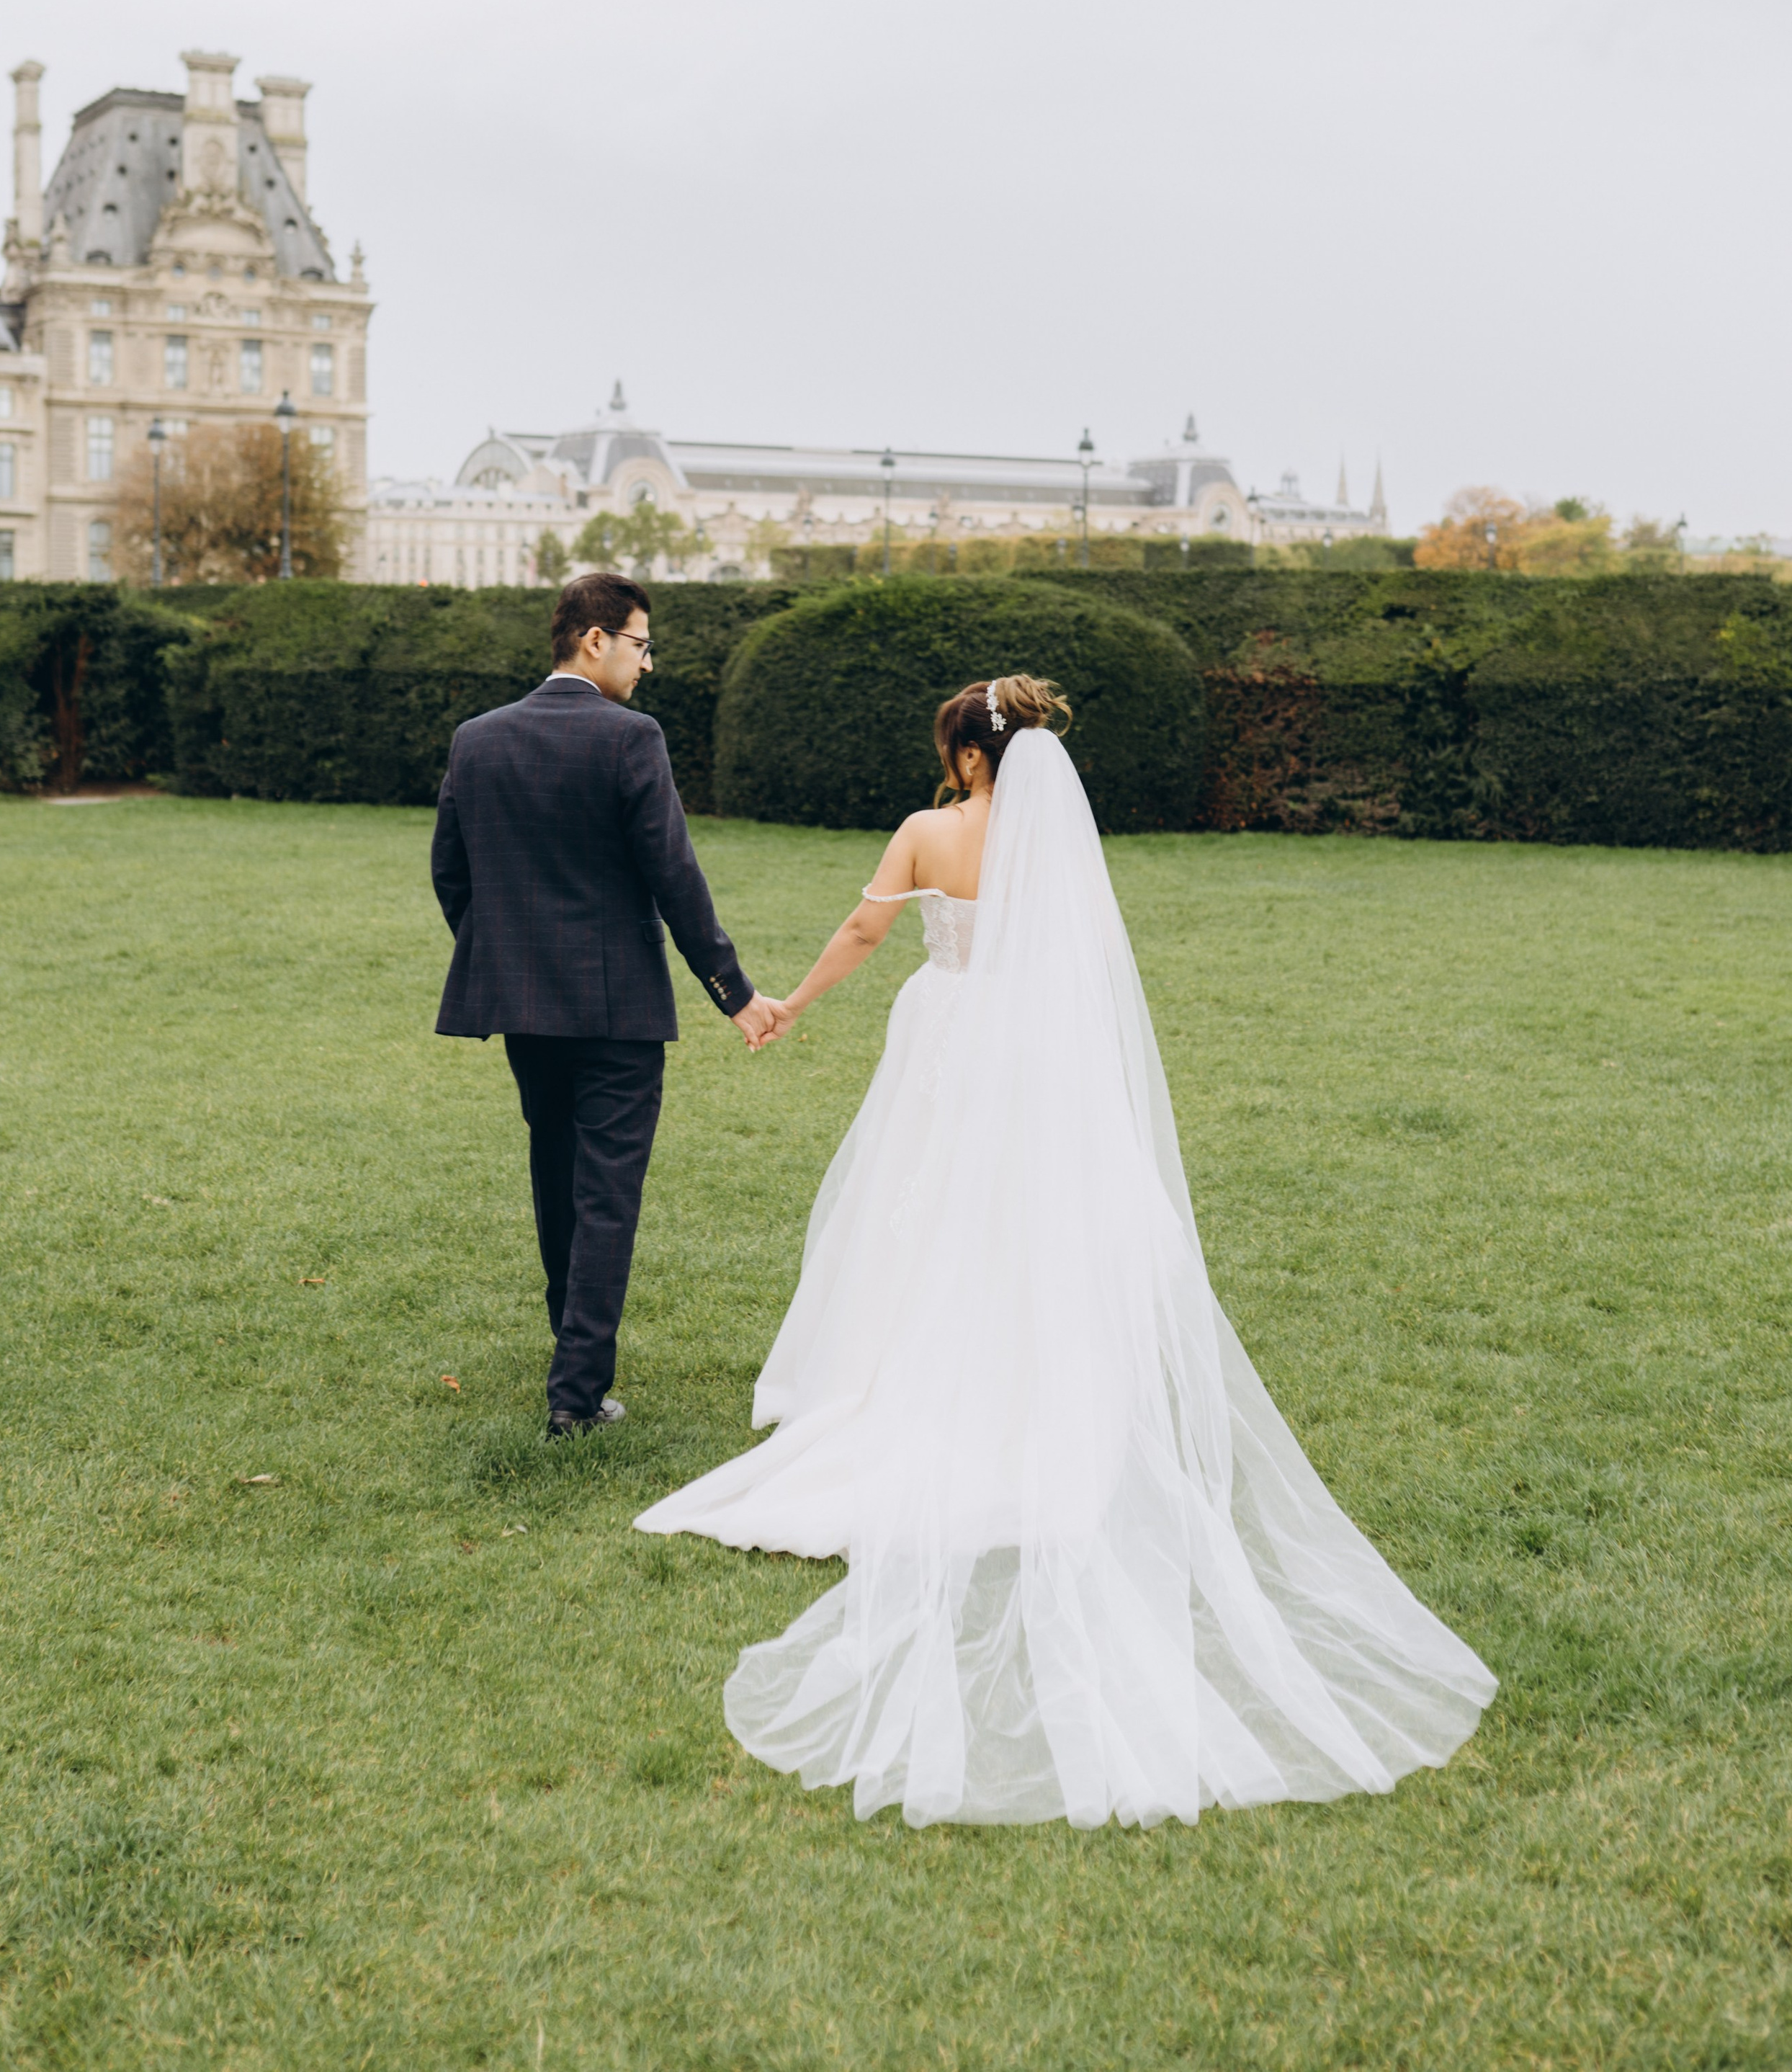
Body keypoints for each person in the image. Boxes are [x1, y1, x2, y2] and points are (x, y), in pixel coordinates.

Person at [637, 674, 1496, 1828]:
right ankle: (1036, 1379)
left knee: (921, 1209)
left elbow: (865, 927)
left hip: (947, 1036)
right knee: (1027, 1215)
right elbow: (1091, 958)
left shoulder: (929, 832)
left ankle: (904, 1383)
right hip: (1037, 1051)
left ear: (972, 757)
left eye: (952, 751)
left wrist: (791, 1002)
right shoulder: (1055, 849)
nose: (948, 768)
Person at [431, 571, 783, 1439]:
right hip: (619, 1012)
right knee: (606, 1197)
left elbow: (451, 871)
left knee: (557, 1178)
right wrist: (732, 992)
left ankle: (571, 1356)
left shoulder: (477, 739)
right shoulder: (632, 739)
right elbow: (675, 873)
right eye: (641, 643)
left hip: (526, 1007)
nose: (648, 663)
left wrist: (503, 956)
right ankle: (576, 1397)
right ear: (595, 639)